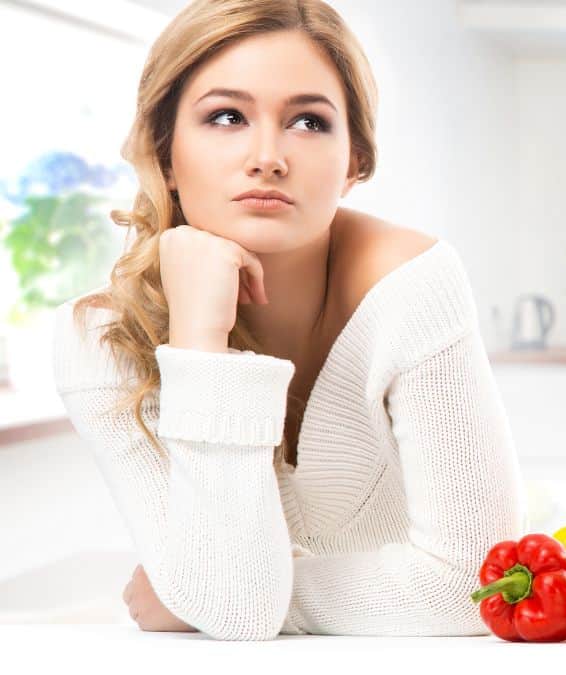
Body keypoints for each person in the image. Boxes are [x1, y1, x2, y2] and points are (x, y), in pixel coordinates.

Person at [51, 0, 525, 640]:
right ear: (165, 152)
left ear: (355, 160)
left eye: (307, 121)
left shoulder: (414, 285)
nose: (267, 156)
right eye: (226, 116)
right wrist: (199, 339)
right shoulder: (99, 341)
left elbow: (478, 584)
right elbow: (236, 612)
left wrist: (207, 592)